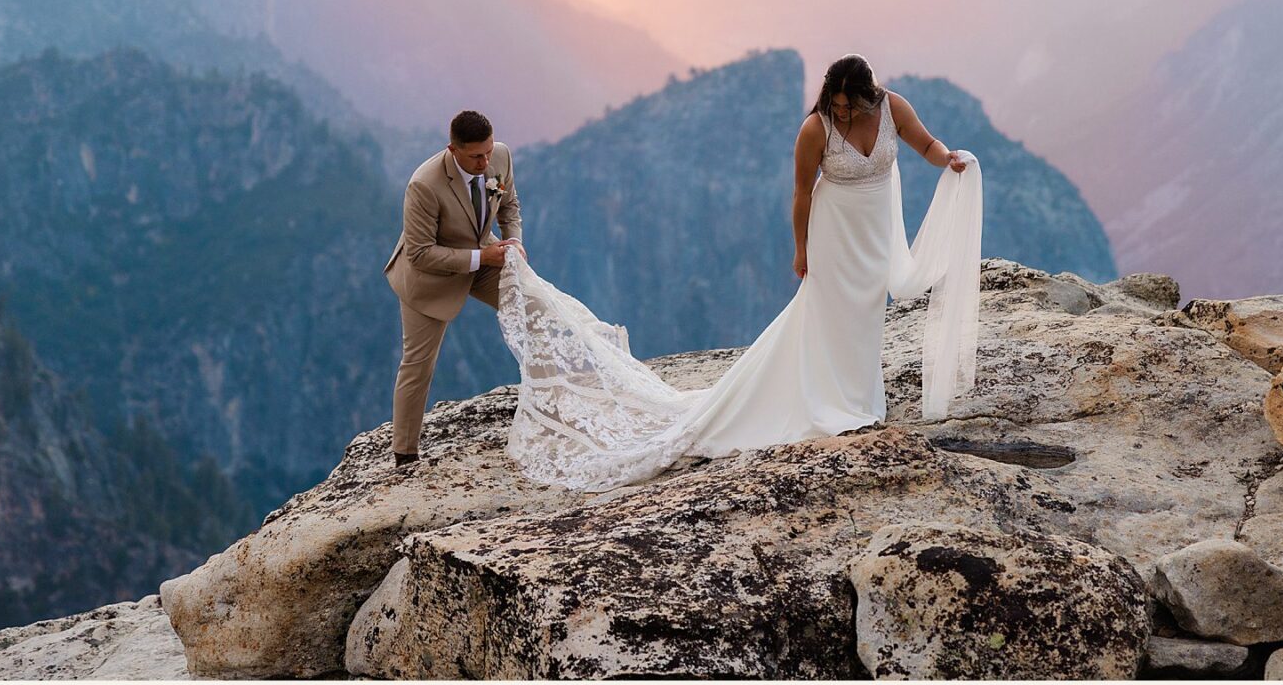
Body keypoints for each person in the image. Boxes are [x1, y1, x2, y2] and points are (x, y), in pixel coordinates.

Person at [495, 54, 982, 492]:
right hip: (834, 230)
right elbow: (802, 194)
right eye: (834, 105)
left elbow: (928, 146)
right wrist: (801, 250)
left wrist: (951, 161)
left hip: (877, 226)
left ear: (867, 95)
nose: (841, 114)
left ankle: (858, 397)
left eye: (847, 106)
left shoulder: (894, 107)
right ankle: (826, 402)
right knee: (828, 312)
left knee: (867, 310)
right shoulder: (816, 129)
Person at [383, 109, 524, 466]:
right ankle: (405, 455)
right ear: (453, 150)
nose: (486, 161)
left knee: (534, 310)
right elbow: (419, 253)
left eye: (489, 152)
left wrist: (514, 242)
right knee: (418, 365)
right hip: (429, 278)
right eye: (477, 156)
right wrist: (483, 258)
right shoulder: (424, 185)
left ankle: (553, 409)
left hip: (485, 257)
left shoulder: (501, 156)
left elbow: (509, 207)